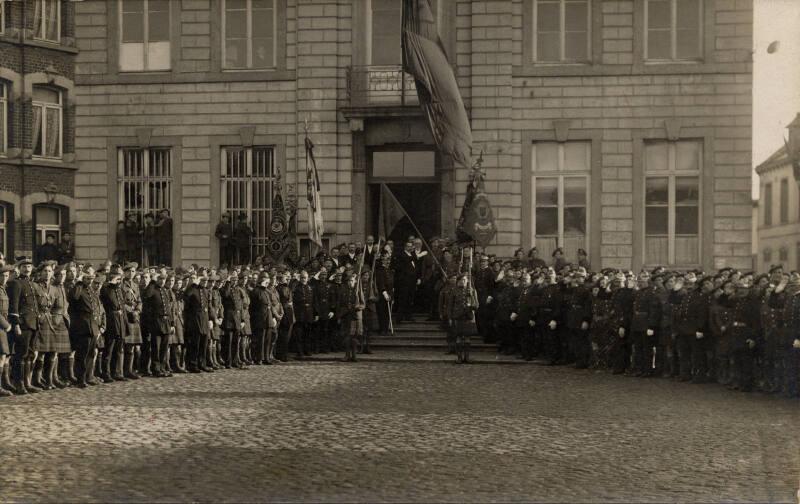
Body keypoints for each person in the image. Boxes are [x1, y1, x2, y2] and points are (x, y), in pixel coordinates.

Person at [448, 273, 479, 364]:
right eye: (461, 280)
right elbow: (450, 306)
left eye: (465, 280)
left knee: (467, 338)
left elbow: (477, 305)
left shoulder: (472, 291)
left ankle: (467, 357)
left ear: (467, 281)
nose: (463, 282)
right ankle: (459, 357)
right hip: (457, 317)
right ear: (458, 281)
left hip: (468, 317)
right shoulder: (454, 291)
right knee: (458, 337)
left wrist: (471, 304)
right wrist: (450, 317)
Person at [337, 272, 365, 362]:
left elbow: (363, 304)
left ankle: (354, 355)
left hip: (355, 316)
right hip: (346, 316)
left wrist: (357, 307)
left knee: (354, 336)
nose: (350, 283)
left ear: (355, 281)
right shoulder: (343, 291)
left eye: (352, 281)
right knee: (347, 336)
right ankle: (347, 355)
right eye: (349, 281)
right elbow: (339, 304)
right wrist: (341, 314)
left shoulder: (358, 291)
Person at [395, 241, 418, 323]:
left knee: (410, 299)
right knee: (403, 299)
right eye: (408, 246)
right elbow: (405, 262)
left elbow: (415, 267)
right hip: (404, 282)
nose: (410, 247)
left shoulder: (412, 255)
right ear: (405, 247)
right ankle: (399, 317)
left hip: (412, 281)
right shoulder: (402, 255)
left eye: (411, 246)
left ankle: (409, 316)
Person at [0, 264, 14, 396]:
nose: (5, 278)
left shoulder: (3, 289)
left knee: (3, 356)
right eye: (2, 276)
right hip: (1, 327)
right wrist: (6, 325)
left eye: (7, 276)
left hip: (2, 328)